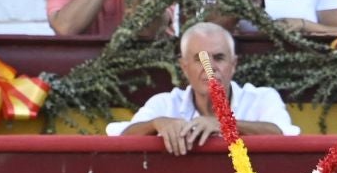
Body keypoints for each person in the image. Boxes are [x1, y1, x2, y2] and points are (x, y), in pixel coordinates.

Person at [117, 22, 300, 155]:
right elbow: (119, 140)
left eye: (219, 58)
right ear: (184, 67)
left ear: (233, 65)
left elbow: (283, 135)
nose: (210, 67)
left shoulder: (262, 98)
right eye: (200, 59)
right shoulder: (164, 104)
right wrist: (155, 124)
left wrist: (224, 125)